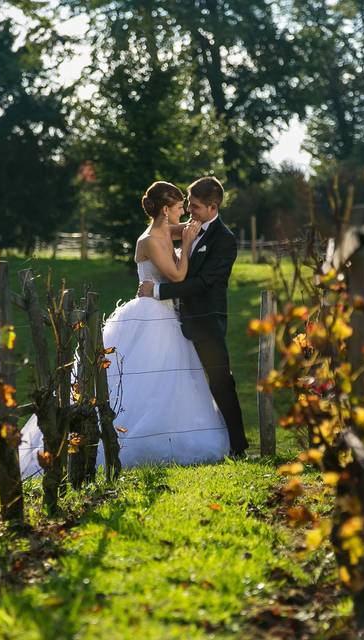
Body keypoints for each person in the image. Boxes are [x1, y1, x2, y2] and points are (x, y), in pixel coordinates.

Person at [18, 180, 230, 480]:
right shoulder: (150, 240)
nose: (184, 213)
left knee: (172, 379)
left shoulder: (166, 229)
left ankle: (174, 428)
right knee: (145, 375)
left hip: (167, 314)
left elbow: (191, 229)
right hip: (153, 314)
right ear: (166, 209)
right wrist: (187, 245)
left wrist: (195, 228)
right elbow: (179, 275)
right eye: (180, 207)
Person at [137, 176, 247, 457]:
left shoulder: (224, 240)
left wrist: (159, 291)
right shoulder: (189, 228)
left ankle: (238, 445)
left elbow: (204, 282)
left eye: (195, 207)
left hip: (205, 320)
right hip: (175, 321)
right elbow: (159, 233)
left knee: (221, 380)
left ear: (213, 207)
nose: (189, 211)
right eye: (187, 204)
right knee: (173, 380)